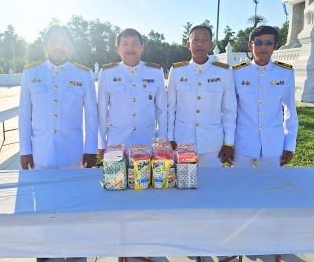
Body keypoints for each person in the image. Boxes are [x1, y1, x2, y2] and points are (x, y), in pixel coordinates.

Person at [19, 24, 98, 169]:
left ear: (72, 48)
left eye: (65, 42)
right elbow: (24, 116)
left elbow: (91, 116)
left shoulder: (84, 75)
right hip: (41, 154)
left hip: (72, 154)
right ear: (45, 46)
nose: (59, 46)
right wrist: (25, 151)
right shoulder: (31, 74)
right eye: (54, 41)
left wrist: (91, 149)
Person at [167, 25, 237, 167]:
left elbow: (229, 110)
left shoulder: (223, 72)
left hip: (212, 142)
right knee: (182, 183)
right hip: (182, 140)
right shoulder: (177, 71)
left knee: (213, 184)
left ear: (211, 45)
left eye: (204, 40)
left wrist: (228, 142)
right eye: (195, 40)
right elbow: (170, 108)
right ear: (188, 44)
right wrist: (169, 138)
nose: (200, 44)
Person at [232, 25, 298, 167]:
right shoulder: (236, 72)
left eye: (268, 43)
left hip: (273, 143)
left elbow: (290, 110)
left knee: (271, 186)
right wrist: (228, 142)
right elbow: (230, 110)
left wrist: (289, 145)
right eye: (258, 42)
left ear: (275, 45)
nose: (263, 47)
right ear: (250, 45)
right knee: (239, 184)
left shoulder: (285, 72)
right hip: (243, 142)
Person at [97, 28, 167, 156]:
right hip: (117, 143)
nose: (130, 48)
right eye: (125, 44)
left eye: (134, 43)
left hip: (147, 142)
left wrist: (161, 142)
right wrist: (101, 143)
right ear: (117, 48)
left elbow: (161, 109)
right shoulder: (107, 73)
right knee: (118, 177)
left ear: (142, 47)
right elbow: (102, 111)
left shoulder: (155, 72)